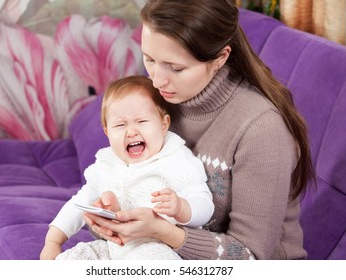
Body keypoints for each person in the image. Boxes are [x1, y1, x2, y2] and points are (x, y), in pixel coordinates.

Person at [84, 0, 315, 260]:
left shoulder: (261, 129)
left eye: (176, 68)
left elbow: (250, 257)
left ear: (221, 58)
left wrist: (164, 232)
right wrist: (109, 220)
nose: (157, 79)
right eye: (149, 59)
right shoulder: (162, 98)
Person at [40, 75, 214, 260]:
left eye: (141, 121)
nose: (131, 131)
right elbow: (79, 204)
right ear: (107, 132)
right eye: (120, 125)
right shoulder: (107, 164)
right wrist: (53, 242)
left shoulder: (176, 158)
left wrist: (182, 208)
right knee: (76, 258)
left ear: (164, 125)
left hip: (159, 246)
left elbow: (205, 205)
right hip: (114, 247)